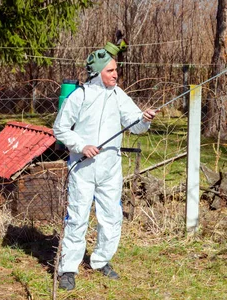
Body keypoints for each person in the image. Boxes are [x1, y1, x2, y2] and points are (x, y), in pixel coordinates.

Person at [53, 43, 157, 291]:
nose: (115, 74)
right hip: (82, 168)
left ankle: (101, 261)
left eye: (116, 70)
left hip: (111, 169)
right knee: (77, 218)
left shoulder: (118, 95)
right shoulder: (80, 96)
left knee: (110, 217)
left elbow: (135, 126)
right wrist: (81, 145)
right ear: (98, 72)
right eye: (110, 70)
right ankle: (68, 269)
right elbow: (60, 128)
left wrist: (144, 119)